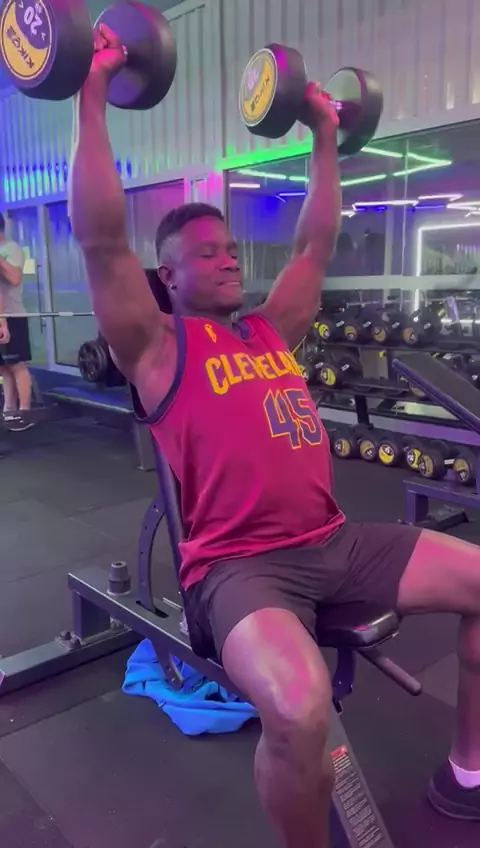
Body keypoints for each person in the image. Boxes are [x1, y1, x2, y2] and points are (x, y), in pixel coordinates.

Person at [69, 24, 480, 848]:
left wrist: (326, 132)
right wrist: (93, 85)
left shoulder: (270, 331)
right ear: (168, 276)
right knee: (298, 708)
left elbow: (315, 241)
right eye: (207, 254)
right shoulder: (156, 347)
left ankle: (468, 770)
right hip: (240, 569)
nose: (228, 260)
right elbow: (101, 239)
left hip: (336, 541)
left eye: (230, 249)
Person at [0, 213, 34, 431]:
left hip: (13, 315)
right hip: (0, 315)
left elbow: (14, 278)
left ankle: (25, 412)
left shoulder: (12, 249)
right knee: (4, 367)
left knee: (17, 365)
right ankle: (9, 410)